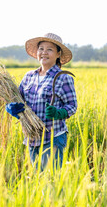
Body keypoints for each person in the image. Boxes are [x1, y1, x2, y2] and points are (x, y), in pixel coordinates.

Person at [6, 33, 77, 171]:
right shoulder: (29, 77)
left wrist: (59, 112)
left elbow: (72, 106)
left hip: (53, 137)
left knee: (50, 181)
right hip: (32, 138)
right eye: (41, 49)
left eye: (49, 49)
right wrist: (12, 108)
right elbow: (19, 100)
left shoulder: (63, 78)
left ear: (58, 54)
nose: (44, 52)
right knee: (39, 181)